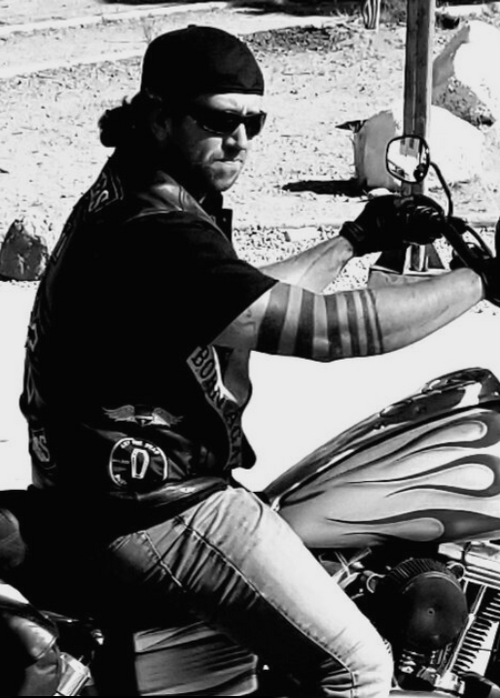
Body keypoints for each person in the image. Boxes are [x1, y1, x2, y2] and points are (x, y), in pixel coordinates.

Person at [18, 24, 497, 698]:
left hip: (108, 493)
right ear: (158, 114)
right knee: (359, 668)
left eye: (254, 122)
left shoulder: (139, 194)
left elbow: (240, 301)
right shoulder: (154, 230)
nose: (240, 139)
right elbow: (327, 332)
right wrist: (482, 282)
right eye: (219, 120)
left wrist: (355, 239)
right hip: (159, 510)